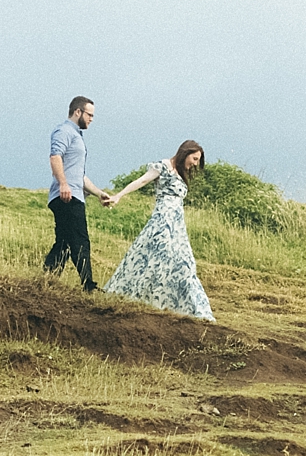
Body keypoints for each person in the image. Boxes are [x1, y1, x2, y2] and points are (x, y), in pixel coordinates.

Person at [101, 140, 214, 321]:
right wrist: (118, 196)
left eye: (197, 160)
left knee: (184, 263)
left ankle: (189, 306)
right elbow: (143, 180)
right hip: (162, 220)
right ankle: (142, 297)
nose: (194, 163)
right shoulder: (163, 166)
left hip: (177, 224)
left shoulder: (181, 173)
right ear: (185, 153)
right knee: (155, 258)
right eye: (194, 158)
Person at [44, 96, 114, 291]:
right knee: (80, 239)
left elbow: (79, 175)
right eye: (89, 115)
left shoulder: (76, 135)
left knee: (65, 242)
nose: (91, 119)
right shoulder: (64, 131)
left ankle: (46, 280)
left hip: (73, 192)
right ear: (78, 112)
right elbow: (55, 156)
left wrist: (99, 193)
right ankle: (89, 285)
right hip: (67, 196)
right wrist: (64, 184)